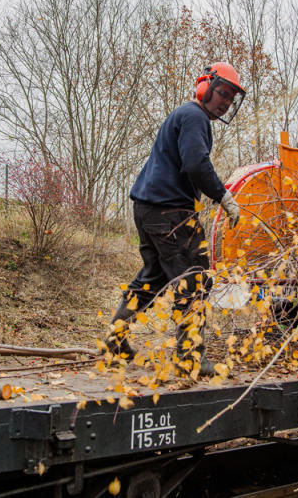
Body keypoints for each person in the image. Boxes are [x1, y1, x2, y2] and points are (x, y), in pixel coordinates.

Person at [104, 62, 245, 377]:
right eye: (222, 93)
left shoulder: (184, 116)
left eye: (231, 98)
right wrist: (223, 195)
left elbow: (188, 166)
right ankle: (190, 357)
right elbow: (195, 164)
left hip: (149, 208)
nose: (225, 102)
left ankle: (115, 340)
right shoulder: (195, 117)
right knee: (196, 279)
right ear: (204, 86)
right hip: (169, 212)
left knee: (152, 279)